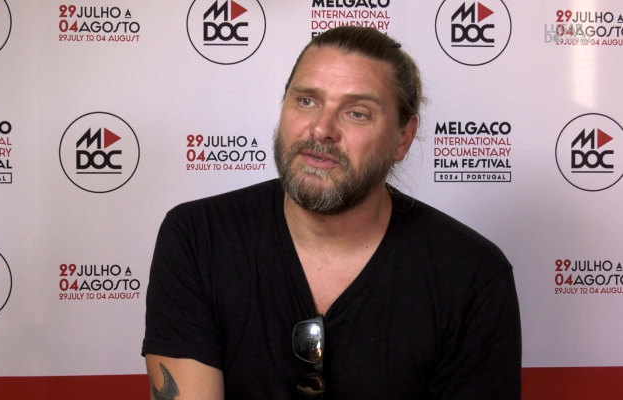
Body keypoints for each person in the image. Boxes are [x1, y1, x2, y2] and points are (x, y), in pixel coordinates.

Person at [142, 26, 521, 399]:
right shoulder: (198, 236)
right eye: (306, 101)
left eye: (357, 113)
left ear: (402, 138)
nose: (321, 129)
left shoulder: (473, 276)